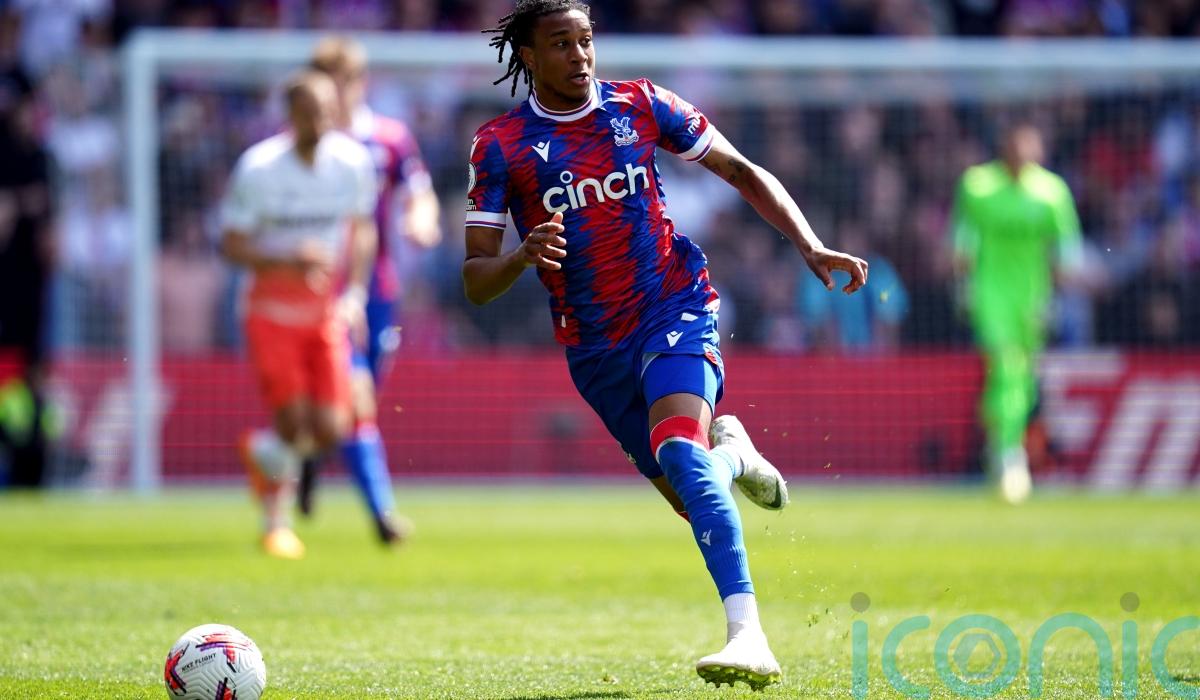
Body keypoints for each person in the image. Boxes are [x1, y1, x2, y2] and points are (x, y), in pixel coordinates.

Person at [464, 0, 868, 688]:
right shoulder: (500, 145)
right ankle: (734, 455)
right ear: (528, 56)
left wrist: (808, 244)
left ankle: (748, 636)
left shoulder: (641, 104)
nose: (579, 55)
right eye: (560, 44)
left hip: (673, 305)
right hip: (594, 347)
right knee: (692, 490)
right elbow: (476, 280)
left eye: (585, 40)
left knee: (680, 450)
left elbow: (741, 171)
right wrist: (520, 256)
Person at [277, 36, 441, 544]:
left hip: (378, 289)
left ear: (358, 84)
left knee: (353, 398)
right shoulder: (300, 148)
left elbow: (419, 193)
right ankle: (382, 515)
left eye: (340, 82)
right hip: (320, 290)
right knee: (355, 394)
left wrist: (421, 220)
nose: (332, 94)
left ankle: (312, 453)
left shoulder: (389, 139)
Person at [220, 70, 378, 559]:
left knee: (333, 427)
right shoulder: (259, 168)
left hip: (324, 310)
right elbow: (231, 244)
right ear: (290, 115)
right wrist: (288, 261)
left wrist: (355, 294)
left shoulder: (351, 162)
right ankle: (277, 525)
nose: (321, 122)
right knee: (292, 424)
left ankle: (262, 452)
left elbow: (362, 230)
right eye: (310, 113)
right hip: (269, 312)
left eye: (327, 111)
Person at [951, 120, 1082, 504]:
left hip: (1032, 300)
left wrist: (1057, 298)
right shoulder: (978, 186)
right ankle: (1010, 457)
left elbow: (1066, 251)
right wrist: (963, 285)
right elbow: (961, 243)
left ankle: (998, 443)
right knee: (1007, 366)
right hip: (990, 296)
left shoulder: (1052, 192)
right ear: (1004, 147)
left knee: (1020, 378)